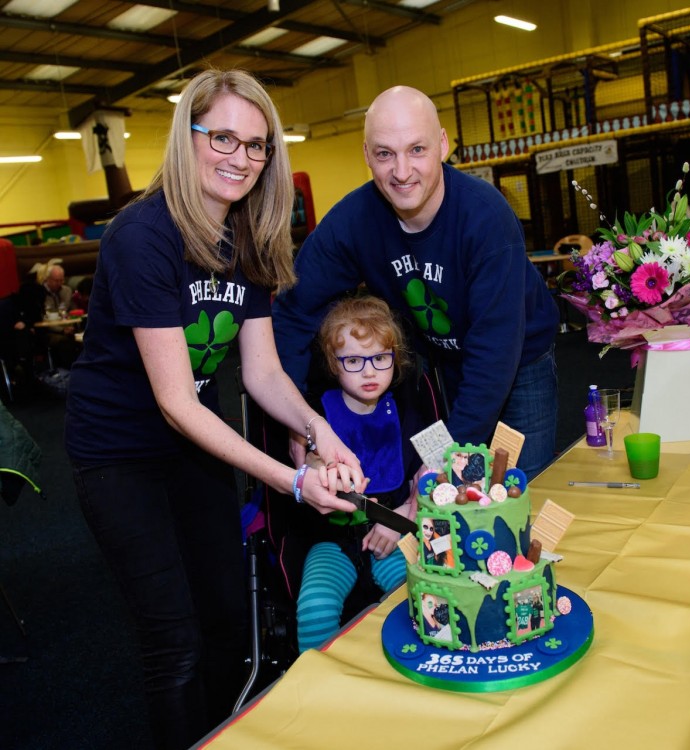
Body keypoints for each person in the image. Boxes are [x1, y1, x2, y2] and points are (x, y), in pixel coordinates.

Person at [64, 69, 364, 750]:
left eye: (257, 145)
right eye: (223, 137)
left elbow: (260, 371)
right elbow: (175, 402)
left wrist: (319, 431)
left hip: (191, 448)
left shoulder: (247, 235)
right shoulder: (144, 236)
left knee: (230, 619)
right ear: (187, 136)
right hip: (118, 454)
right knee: (174, 640)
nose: (241, 158)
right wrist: (291, 480)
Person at [272, 85, 560, 479]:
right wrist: (298, 418)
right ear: (366, 155)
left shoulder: (485, 217)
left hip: (520, 360)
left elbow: (494, 352)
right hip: (441, 362)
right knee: (449, 505)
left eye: (417, 150)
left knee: (517, 492)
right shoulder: (353, 221)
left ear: (441, 145)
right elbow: (293, 310)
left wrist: (448, 459)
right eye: (385, 154)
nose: (402, 172)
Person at [295, 295, 426, 652]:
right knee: (314, 607)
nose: (369, 371)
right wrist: (321, 467)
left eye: (380, 359)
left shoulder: (411, 406)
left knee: (420, 595)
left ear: (394, 360)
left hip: (395, 532)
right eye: (353, 360)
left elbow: (438, 472)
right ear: (332, 363)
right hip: (332, 541)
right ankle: (316, 687)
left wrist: (401, 518)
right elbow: (308, 461)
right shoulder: (315, 413)